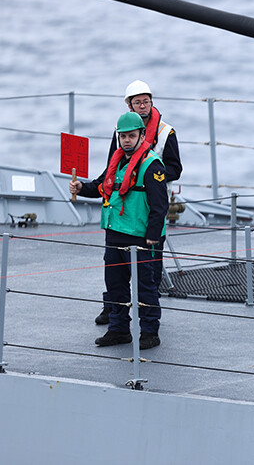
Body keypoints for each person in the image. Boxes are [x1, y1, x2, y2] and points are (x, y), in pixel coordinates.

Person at [70, 112, 168, 350]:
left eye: (131, 136)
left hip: (141, 236)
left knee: (145, 286)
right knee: (115, 283)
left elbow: (160, 206)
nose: (126, 140)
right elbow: (101, 186)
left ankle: (149, 332)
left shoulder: (151, 165)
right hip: (115, 232)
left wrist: (152, 237)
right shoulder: (118, 161)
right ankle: (119, 329)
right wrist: (81, 187)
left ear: (141, 136)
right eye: (122, 136)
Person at [94, 80, 183, 325]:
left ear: (152, 102)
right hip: (122, 210)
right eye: (137, 102)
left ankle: (149, 321)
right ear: (129, 106)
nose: (142, 106)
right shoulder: (121, 132)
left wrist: (148, 175)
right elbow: (113, 166)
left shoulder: (166, 132)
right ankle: (112, 310)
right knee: (114, 270)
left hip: (149, 204)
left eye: (146, 101)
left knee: (149, 272)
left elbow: (175, 167)